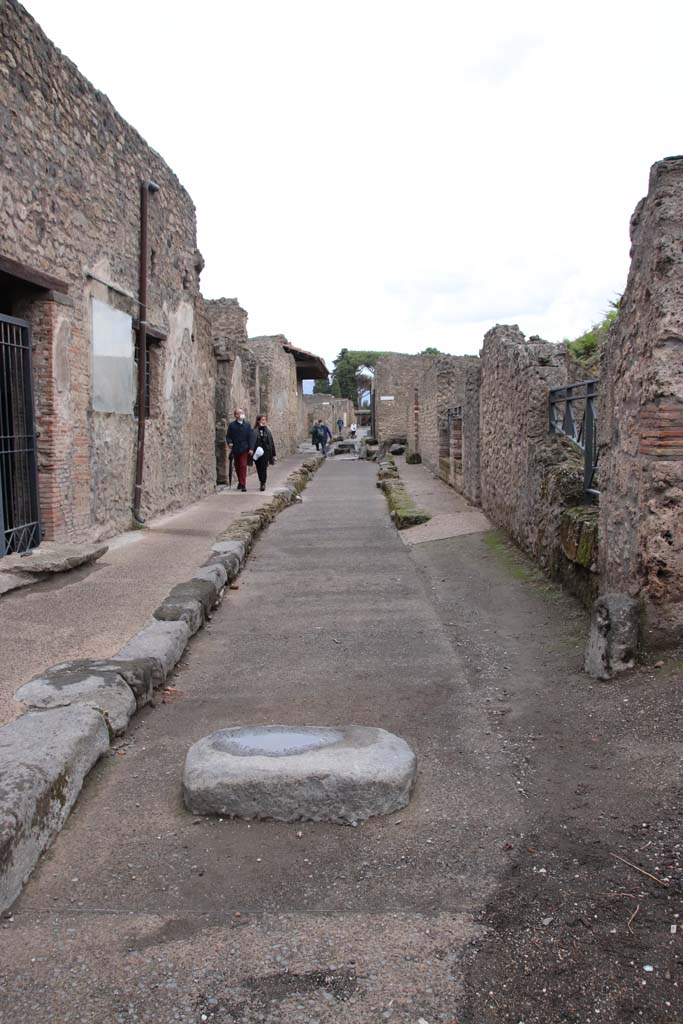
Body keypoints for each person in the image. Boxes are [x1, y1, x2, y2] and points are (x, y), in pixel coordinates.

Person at [226, 407, 252, 491]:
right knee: (237, 466)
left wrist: (251, 448)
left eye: (242, 412)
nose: (241, 414)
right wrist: (229, 442)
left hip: (244, 448)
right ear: (236, 415)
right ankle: (240, 482)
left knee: (243, 465)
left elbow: (250, 437)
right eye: (239, 413)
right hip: (235, 448)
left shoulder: (247, 425)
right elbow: (228, 436)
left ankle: (243, 484)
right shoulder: (232, 425)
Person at [250, 413, 276, 491]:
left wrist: (273, 454)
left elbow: (271, 442)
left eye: (265, 420)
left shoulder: (267, 431)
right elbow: (252, 441)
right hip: (257, 453)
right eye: (262, 420)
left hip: (266, 452)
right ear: (258, 421)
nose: (264, 421)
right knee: (258, 468)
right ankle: (261, 480)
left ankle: (263, 483)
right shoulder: (255, 431)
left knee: (263, 467)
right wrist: (251, 449)